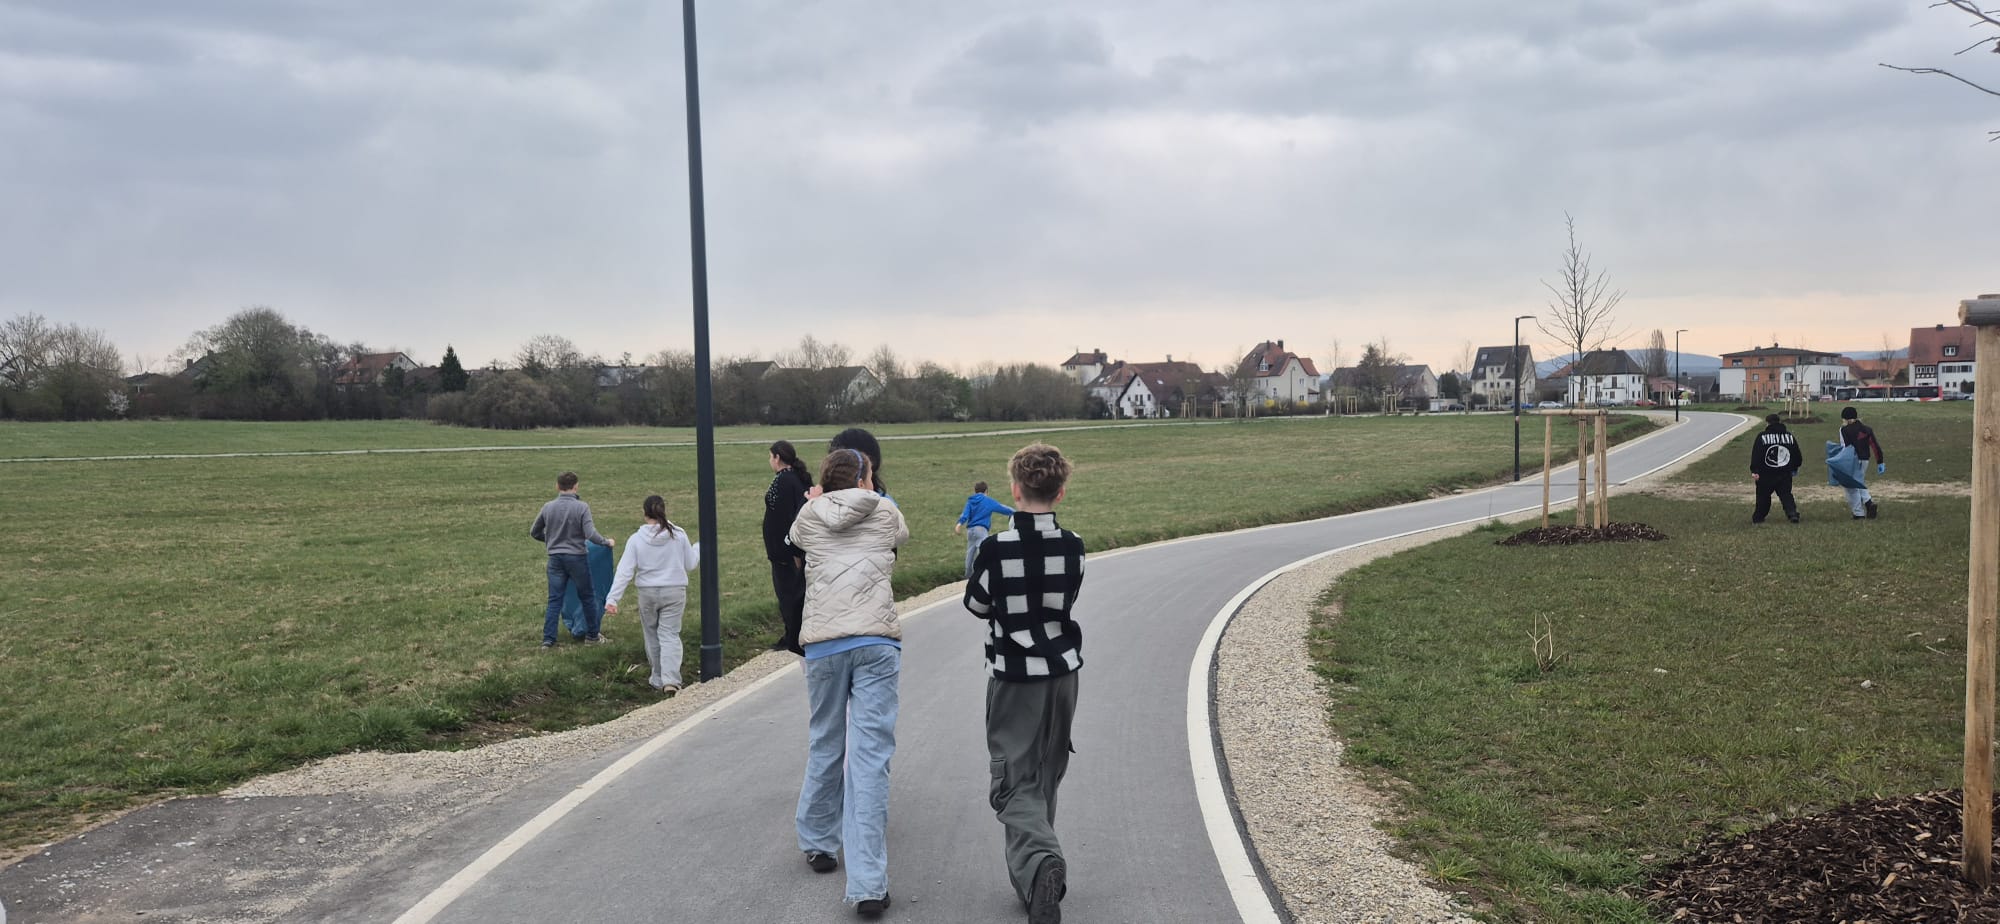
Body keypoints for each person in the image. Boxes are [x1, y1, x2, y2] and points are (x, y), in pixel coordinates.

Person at [963, 443, 1086, 924]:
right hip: (1063, 673)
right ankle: (1035, 884)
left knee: (1012, 783)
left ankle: (1042, 862)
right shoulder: (1073, 545)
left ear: (1015, 490)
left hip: (1015, 675)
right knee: (1046, 771)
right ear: (1061, 492)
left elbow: (976, 605)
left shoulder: (995, 549)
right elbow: (1067, 598)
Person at [788, 448, 909, 918]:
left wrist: (817, 500)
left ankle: (818, 841)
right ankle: (868, 884)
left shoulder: (809, 513)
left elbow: (792, 540)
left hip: (823, 643)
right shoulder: (885, 510)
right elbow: (900, 535)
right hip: (876, 640)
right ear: (864, 479)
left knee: (825, 739)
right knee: (870, 758)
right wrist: (875, 496)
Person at [604, 495, 699, 694]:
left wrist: (613, 599)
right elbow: (690, 564)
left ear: (644, 513)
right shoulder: (678, 535)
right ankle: (671, 680)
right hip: (674, 590)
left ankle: (657, 677)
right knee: (670, 634)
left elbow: (625, 571)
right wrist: (697, 548)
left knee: (652, 635)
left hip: (647, 592)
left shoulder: (636, 539)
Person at [529, 471, 614, 648]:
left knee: (554, 600)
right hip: (577, 558)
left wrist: (551, 540)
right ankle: (592, 636)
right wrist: (606, 542)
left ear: (557, 486)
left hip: (555, 559)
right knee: (587, 597)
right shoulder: (582, 507)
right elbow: (590, 534)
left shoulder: (548, 507)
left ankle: (548, 640)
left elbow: (534, 532)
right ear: (576, 486)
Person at [764, 440, 814, 654]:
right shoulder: (795, 478)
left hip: (784, 550)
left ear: (777, 458)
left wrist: (790, 548)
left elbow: (787, 517)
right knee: (793, 590)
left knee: (787, 593)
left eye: (770, 456)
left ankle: (792, 633)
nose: (769, 461)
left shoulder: (784, 481)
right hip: (788, 547)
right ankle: (793, 630)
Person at [954, 481, 1015, 579]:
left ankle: (968, 575)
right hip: (981, 529)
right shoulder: (987, 501)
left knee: (970, 552)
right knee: (984, 551)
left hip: (970, 530)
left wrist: (959, 524)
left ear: (975, 491)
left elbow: (965, 514)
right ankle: (982, 574)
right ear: (986, 491)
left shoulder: (970, 501)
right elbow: (1002, 508)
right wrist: (1015, 512)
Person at [1749, 414, 1802, 524]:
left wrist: (1755, 470)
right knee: (1786, 494)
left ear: (1767, 423)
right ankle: (1792, 513)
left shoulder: (1762, 437)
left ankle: (1759, 517)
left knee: (1763, 496)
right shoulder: (1789, 436)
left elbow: (1757, 454)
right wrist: (1795, 466)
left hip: (1766, 473)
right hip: (1784, 472)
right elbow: (1796, 454)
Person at [1839, 406, 1886, 519]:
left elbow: (1845, 448)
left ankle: (1859, 513)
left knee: (1851, 486)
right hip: (1865, 460)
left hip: (1852, 460)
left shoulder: (1844, 430)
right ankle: (1869, 504)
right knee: (1859, 482)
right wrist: (1880, 462)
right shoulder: (1867, 429)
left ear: (1845, 419)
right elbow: (1875, 446)